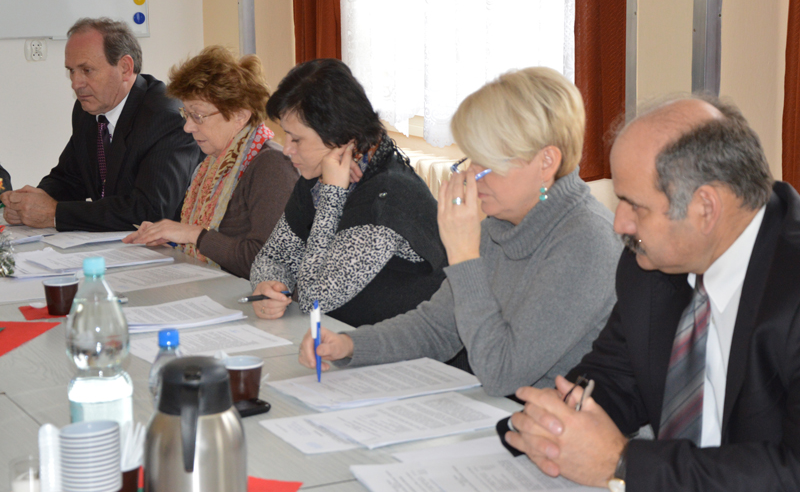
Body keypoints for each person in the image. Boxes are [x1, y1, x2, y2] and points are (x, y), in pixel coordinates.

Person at [502, 95, 800, 492]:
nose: (619, 224)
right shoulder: (649, 266)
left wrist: (623, 464)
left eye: (634, 206)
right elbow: (615, 377)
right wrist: (558, 421)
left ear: (705, 208)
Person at [297, 67, 621, 397]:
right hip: (502, 411)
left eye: (488, 163)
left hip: (551, 421)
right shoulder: (502, 225)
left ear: (546, 162)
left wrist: (464, 256)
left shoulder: (586, 242)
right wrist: (349, 345)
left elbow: (502, 374)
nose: (472, 176)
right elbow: (437, 328)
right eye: (471, 159)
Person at [249, 58, 447, 327]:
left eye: (297, 139)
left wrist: (332, 195)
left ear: (340, 137)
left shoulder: (386, 200)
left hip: (412, 350)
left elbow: (313, 299)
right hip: (346, 339)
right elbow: (275, 255)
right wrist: (269, 285)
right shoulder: (316, 177)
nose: (287, 149)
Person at [0, 18, 202, 231]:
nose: (75, 83)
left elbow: (150, 210)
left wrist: (55, 214)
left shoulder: (165, 117)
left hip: (167, 246)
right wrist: (30, 203)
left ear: (125, 68)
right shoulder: (88, 109)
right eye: (71, 71)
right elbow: (69, 179)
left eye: (87, 70)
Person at [122, 46, 297, 278]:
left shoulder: (272, 166)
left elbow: (270, 264)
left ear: (240, 116)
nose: (188, 127)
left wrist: (193, 235)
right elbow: (212, 240)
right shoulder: (211, 164)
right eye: (186, 114)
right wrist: (169, 237)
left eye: (198, 116)